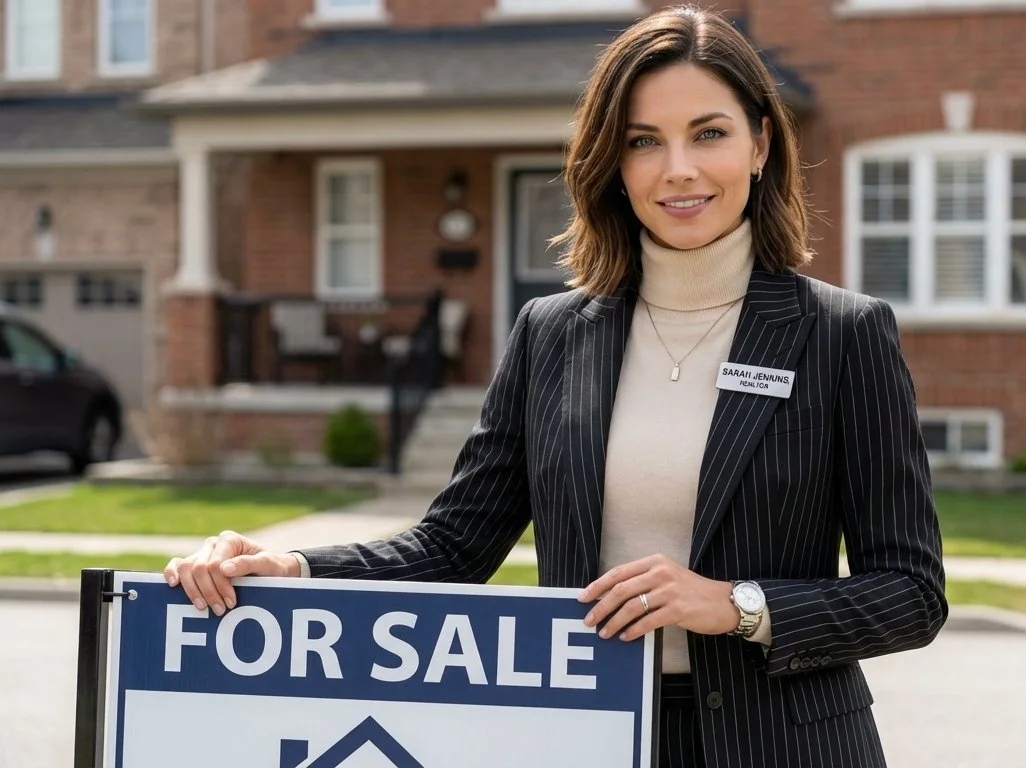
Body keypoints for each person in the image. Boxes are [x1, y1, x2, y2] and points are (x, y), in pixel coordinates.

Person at [164, 6, 947, 767]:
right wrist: (293, 569)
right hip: (585, 733)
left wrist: (736, 606)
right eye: (645, 141)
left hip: (789, 745)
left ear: (760, 144)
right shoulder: (551, 334)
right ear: (614, 161)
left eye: (708, 132)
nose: (678, 168)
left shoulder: (842, 334)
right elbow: (452, 547)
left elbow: (912, 591)